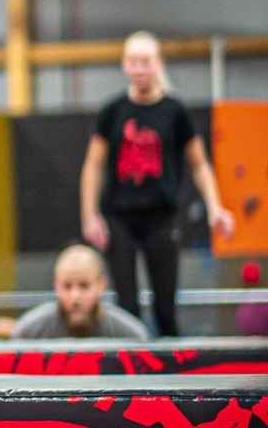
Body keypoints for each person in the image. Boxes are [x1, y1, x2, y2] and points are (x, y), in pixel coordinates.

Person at [79, 31, 235, 336]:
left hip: (161, 216)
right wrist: (89, 215)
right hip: (119, 216)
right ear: (124, 65)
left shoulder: (175, 111)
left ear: (157, 64)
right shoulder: (113, 111)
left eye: (145, 61)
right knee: (127, 308)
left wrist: (216, 207)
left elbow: (200, 164)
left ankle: (168, 376)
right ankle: (128, 377)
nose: (139, 68)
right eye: (133, 61)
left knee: (165, 306)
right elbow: (93, 165)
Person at [12, 245, 149, 340]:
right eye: (67, 286)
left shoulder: (132, 337)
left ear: (101, 285)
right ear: (56, 286)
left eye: (84, 286)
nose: (75, 297)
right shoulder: (28, 333)